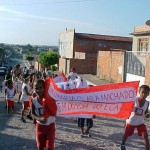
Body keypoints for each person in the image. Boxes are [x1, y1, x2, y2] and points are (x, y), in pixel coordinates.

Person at [120, 85, 150, 150]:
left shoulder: (147, 103)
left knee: (145, 135)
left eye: (146, 93)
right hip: (131, 121)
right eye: (142, 92)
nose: (144, 94)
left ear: (148, 94)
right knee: (126, 135)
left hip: (140, 122)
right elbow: (126, 108)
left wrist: (147, 115)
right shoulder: (133, 100)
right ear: (139, 92)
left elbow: (146, 112)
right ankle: (122, 145)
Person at [31, 79, 57, 150]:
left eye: (40, 87)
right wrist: (40, 119)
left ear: (44, 88)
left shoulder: (50, 99)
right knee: (40, 147)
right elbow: (32, 114)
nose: (38, 90)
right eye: (36, 88)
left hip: (50, 127)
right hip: (40, 127)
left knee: (50, 147)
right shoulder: (33, 100)